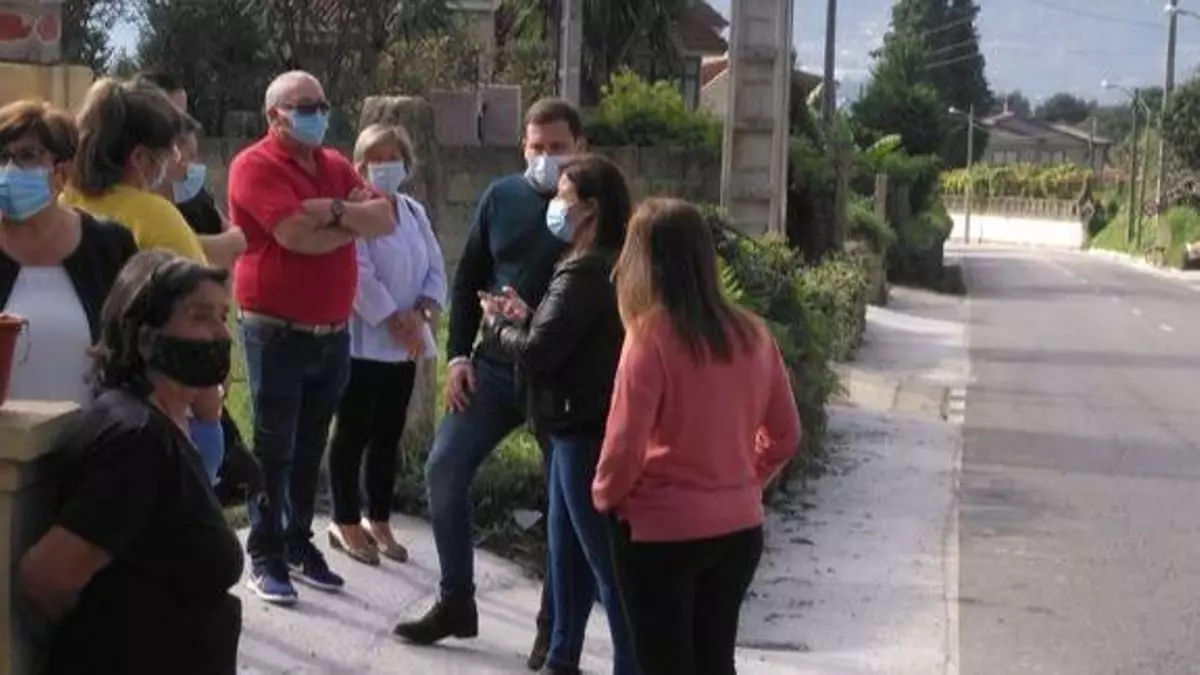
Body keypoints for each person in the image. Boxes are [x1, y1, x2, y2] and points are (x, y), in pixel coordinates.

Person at [391, 99, 582, 667]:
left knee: (564, 505)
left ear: (581, 147)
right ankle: (456, 601)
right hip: (494, 368)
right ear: (522, 147)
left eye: (557, 147)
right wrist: (456, 357)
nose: (546, 157)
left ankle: (553, 628)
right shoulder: (501, 197)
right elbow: (470, 276)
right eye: (536, 147)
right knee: (444, 468)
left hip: (562, 379)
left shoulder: (598, 205)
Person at [592, 198, 803, 675]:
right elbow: (786, 435)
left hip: (661, 530)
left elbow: (623, 448)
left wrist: (605, 497)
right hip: (738, 529)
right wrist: (744, 480)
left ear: (645, 262)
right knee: (715, 662)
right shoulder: (753, 333)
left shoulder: (649, 337)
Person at [19, 249, 243, 675]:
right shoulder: (137, 441)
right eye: (200, 316)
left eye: (223, 316)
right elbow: (46, 576)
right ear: (144, 335)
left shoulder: (166, 425)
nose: (221, 333)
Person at [229, 70, 396, 606]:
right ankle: (265, 553)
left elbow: (385, 217)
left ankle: (298, 541)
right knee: (273, 448)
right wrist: (351, 223)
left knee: (309, 447)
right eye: (304, 106)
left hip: (332, 332)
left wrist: (336, 211)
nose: (317, 114)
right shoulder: (254, 165)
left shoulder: (334, 164)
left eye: (322, 104)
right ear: (274, 115)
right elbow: (294, 236)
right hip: (275, 331)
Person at [481, 154, 636, 675]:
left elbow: (538, 351)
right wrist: (528, 317)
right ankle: (561, 655)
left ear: (590, 208)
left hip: (577, 426)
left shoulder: (584, 269)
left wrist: (497, 326)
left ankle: (628, 663)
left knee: (601, 562)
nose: (555, 205)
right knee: (567, 555)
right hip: (578, 421)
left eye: (564, 196)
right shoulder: (601, 263)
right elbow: (563, 333)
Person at [64, 76, 228, 485]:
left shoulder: (63, 204)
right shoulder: (155, 217)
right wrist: (210, 414)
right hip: (149, 411)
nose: (174, 163)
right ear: (140, 158)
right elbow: (199, 317)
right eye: (167, 153)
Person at [326, 123, 446, 566]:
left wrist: (421, 315)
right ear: (358, 167)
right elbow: (357, 272)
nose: (383, 166)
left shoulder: (413, 211)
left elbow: (435, 266)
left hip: (406, 344)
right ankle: (344, 519)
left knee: (388, 435)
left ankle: (378, 518)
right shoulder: (357, 212)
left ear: (406, 163)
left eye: (391, 157)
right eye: (373, 159)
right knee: (352, 432)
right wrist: (395, 318)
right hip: (364, 341)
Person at [0, 100, 137, 405]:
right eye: (2, 156)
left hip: (91, 431)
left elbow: (137, 344)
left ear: (61, 171)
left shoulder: (108, 245)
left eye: (27, 156)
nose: (9, 170)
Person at [134, 69, 247, 270]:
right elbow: (152, 251)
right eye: (172, 120)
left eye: (185, 117)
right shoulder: (131, 201)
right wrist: (213, 245)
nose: (184, 130)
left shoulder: (192, 194)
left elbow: (237, 241)